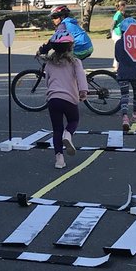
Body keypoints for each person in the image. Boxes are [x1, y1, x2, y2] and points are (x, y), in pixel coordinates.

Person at [37, 32, 88, 169]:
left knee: (56, 129)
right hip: (69, 98)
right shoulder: (75, 62)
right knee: (73, 120)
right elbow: (81, 78)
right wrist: (83, 92)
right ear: (70, 47)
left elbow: (47, 81)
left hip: (53, 99)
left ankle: (59, 159)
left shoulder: (49, 64)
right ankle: (68, 134)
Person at [114, 14, 136, 130]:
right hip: (135, 72)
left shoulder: (119, 43)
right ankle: (135, 115)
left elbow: (117, 57)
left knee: (124, 95)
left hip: (123, 72)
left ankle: (125, 116)